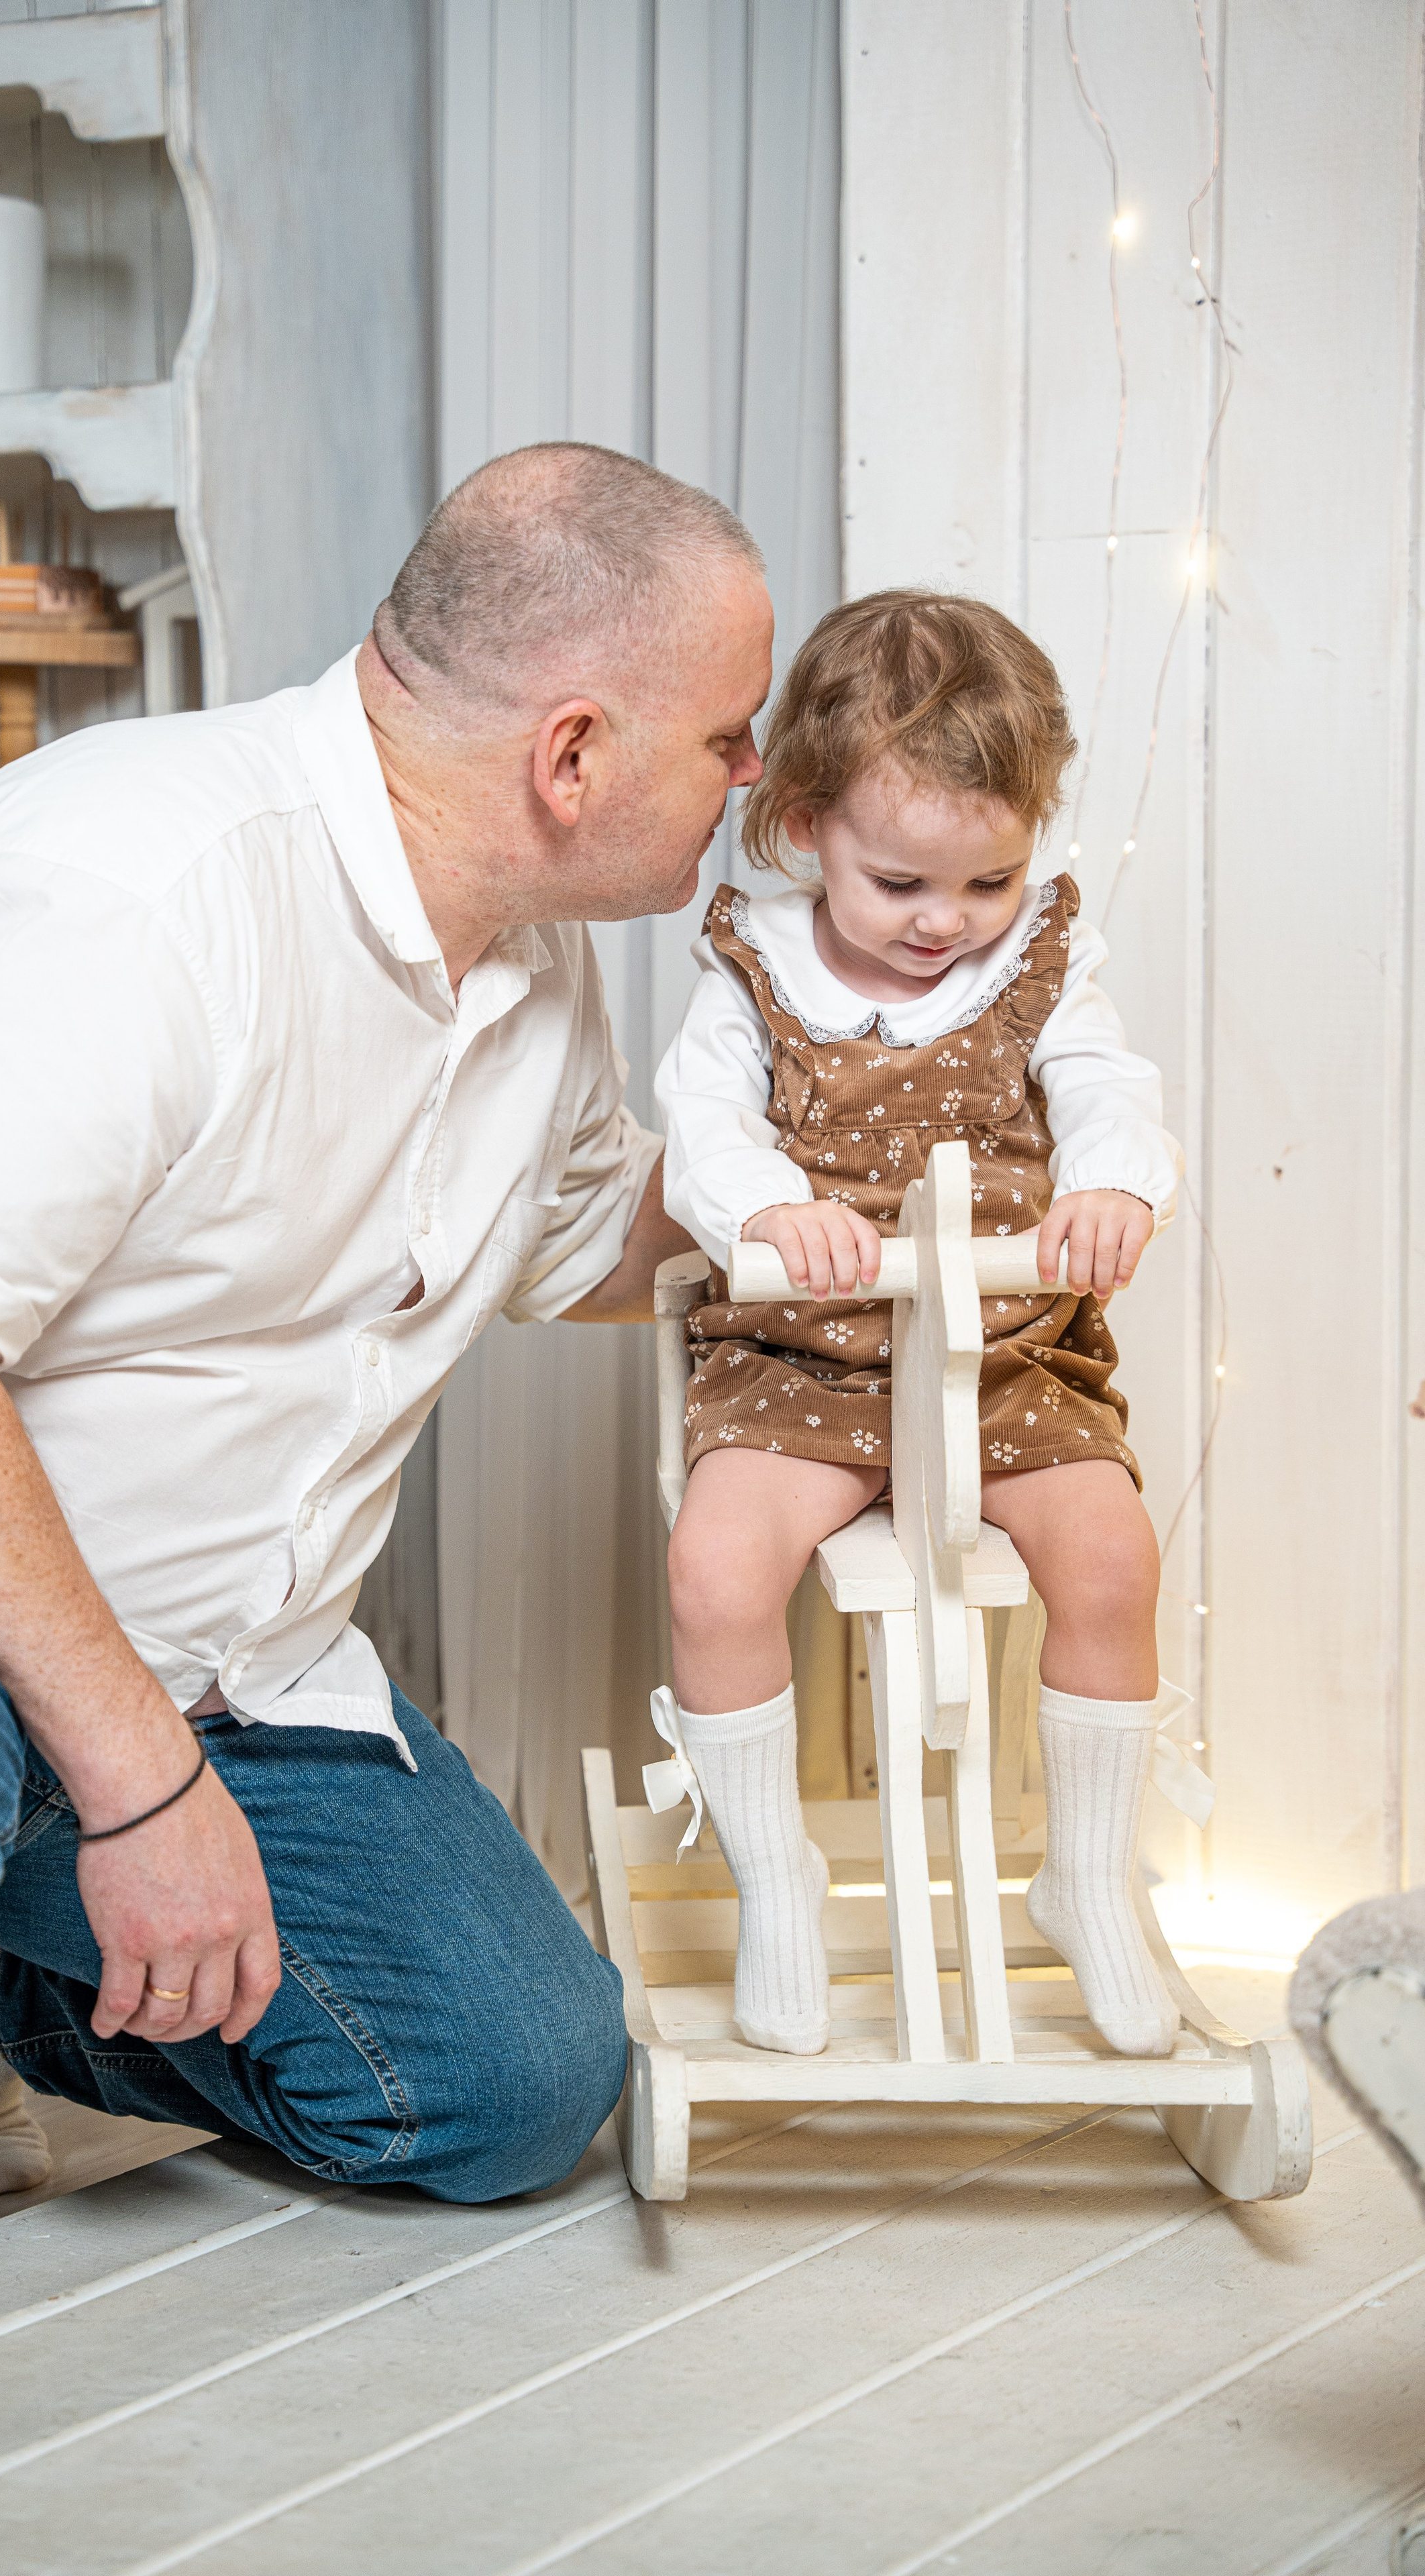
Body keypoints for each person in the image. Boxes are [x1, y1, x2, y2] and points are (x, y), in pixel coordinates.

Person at [0, 442, 772, 2326]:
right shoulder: (124, 884)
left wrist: (830, 1141)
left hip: (219, 1662)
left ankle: (27, 1977)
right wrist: (138, 1794)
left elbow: (597, 1248)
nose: (753, 780)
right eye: (732, 737)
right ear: (576, 754)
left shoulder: (528, 968)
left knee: (515, 2086)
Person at [654, 590, 1183, 2059]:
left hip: (998, 1350)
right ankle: (774, 1879)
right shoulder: (750, 970)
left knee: (1107, 1552)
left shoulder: (1037, 967)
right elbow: (697, 1127)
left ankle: (1084, 1877)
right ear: (806, 824)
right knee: (713, 1568)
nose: (941, 925)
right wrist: (766, 1212)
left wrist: (1111, 1192)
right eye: (896, 885)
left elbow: (1103, 1091)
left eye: (985, 882)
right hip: (804, 1353)